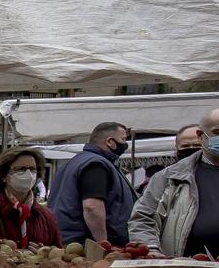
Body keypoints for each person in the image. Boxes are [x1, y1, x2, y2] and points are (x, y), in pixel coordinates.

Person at [131, 108, 219, 257]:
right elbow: (143, 218)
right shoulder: (169, 177)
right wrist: (151, 248)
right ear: (200, 136)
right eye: (217, 132)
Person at [52, 121, 135, 246]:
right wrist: (103, 243)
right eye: (123, 139)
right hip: (84, 246)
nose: (125, 144)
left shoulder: (74, 163)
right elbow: (92, 207)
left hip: (70, 241)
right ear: (110, 142)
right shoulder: (96, 164)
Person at [0, 147, 60, 247]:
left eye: (32, 169)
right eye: (21, 169)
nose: (28, 174)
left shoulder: (47, 216)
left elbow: (60, 257)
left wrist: (44, 256)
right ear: (4, 176)